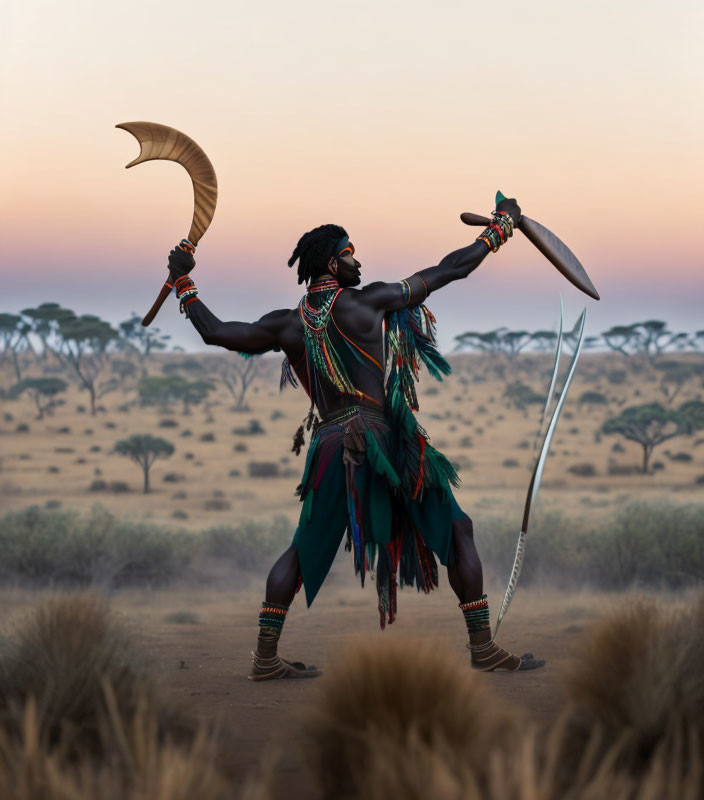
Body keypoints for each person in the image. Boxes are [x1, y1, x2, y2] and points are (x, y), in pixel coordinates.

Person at [166, 192, 545, 680]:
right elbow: (450, 270)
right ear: (332, 261)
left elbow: (216, 332)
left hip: (329, 449)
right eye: (350, 253)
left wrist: (183, 282)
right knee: (456, 528)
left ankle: (264, 659)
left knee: (301, 550)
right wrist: (499, 229)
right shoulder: (371, 302)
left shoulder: (287, 324)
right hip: (383, 442)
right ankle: (483, 648)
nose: (357, 260)